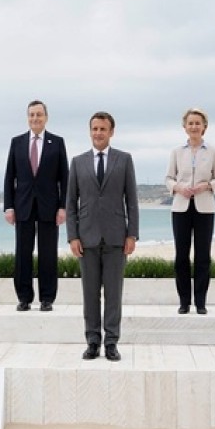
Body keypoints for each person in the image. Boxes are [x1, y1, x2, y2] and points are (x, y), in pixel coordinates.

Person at [66, 111, 139, 362]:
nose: (98, 133)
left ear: (111, 132)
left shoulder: (124, 159)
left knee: (113, 294)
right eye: (94, 129)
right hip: (86, 239)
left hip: (116, 237)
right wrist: (72, 236)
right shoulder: (77, 162)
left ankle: (111, 342)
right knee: (90, 294)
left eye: (103, 129)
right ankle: (92, 341)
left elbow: (132, 200)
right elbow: (71, 203)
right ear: (90, 131)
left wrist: (132, 234)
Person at [3, 100, 69, 312]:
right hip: (22, 206)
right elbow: (9, 177)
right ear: (27, 117)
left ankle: (47, 298)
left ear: (46, 117)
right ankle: (24, 298)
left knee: (48, 254)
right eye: (32, 115)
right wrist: (9, 206)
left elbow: (64, 178)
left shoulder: (57, 143)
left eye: (39, 114)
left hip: (49, 206)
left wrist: (63, 206)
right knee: (23, 254)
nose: (35, 118)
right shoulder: (17, 142)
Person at [164, 108, 215, 315]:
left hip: (205, 208)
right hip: (180, 207)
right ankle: (184, 301)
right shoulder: (176, 152)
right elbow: (168, 178)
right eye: (190, 123)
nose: (194, 127)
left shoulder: (213, 151)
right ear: (184, 127)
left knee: (203, 256)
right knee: (181, 256)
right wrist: (177, 188)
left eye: (198, 123)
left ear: (204, 126)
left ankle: (200, 302)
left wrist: (207, 186)